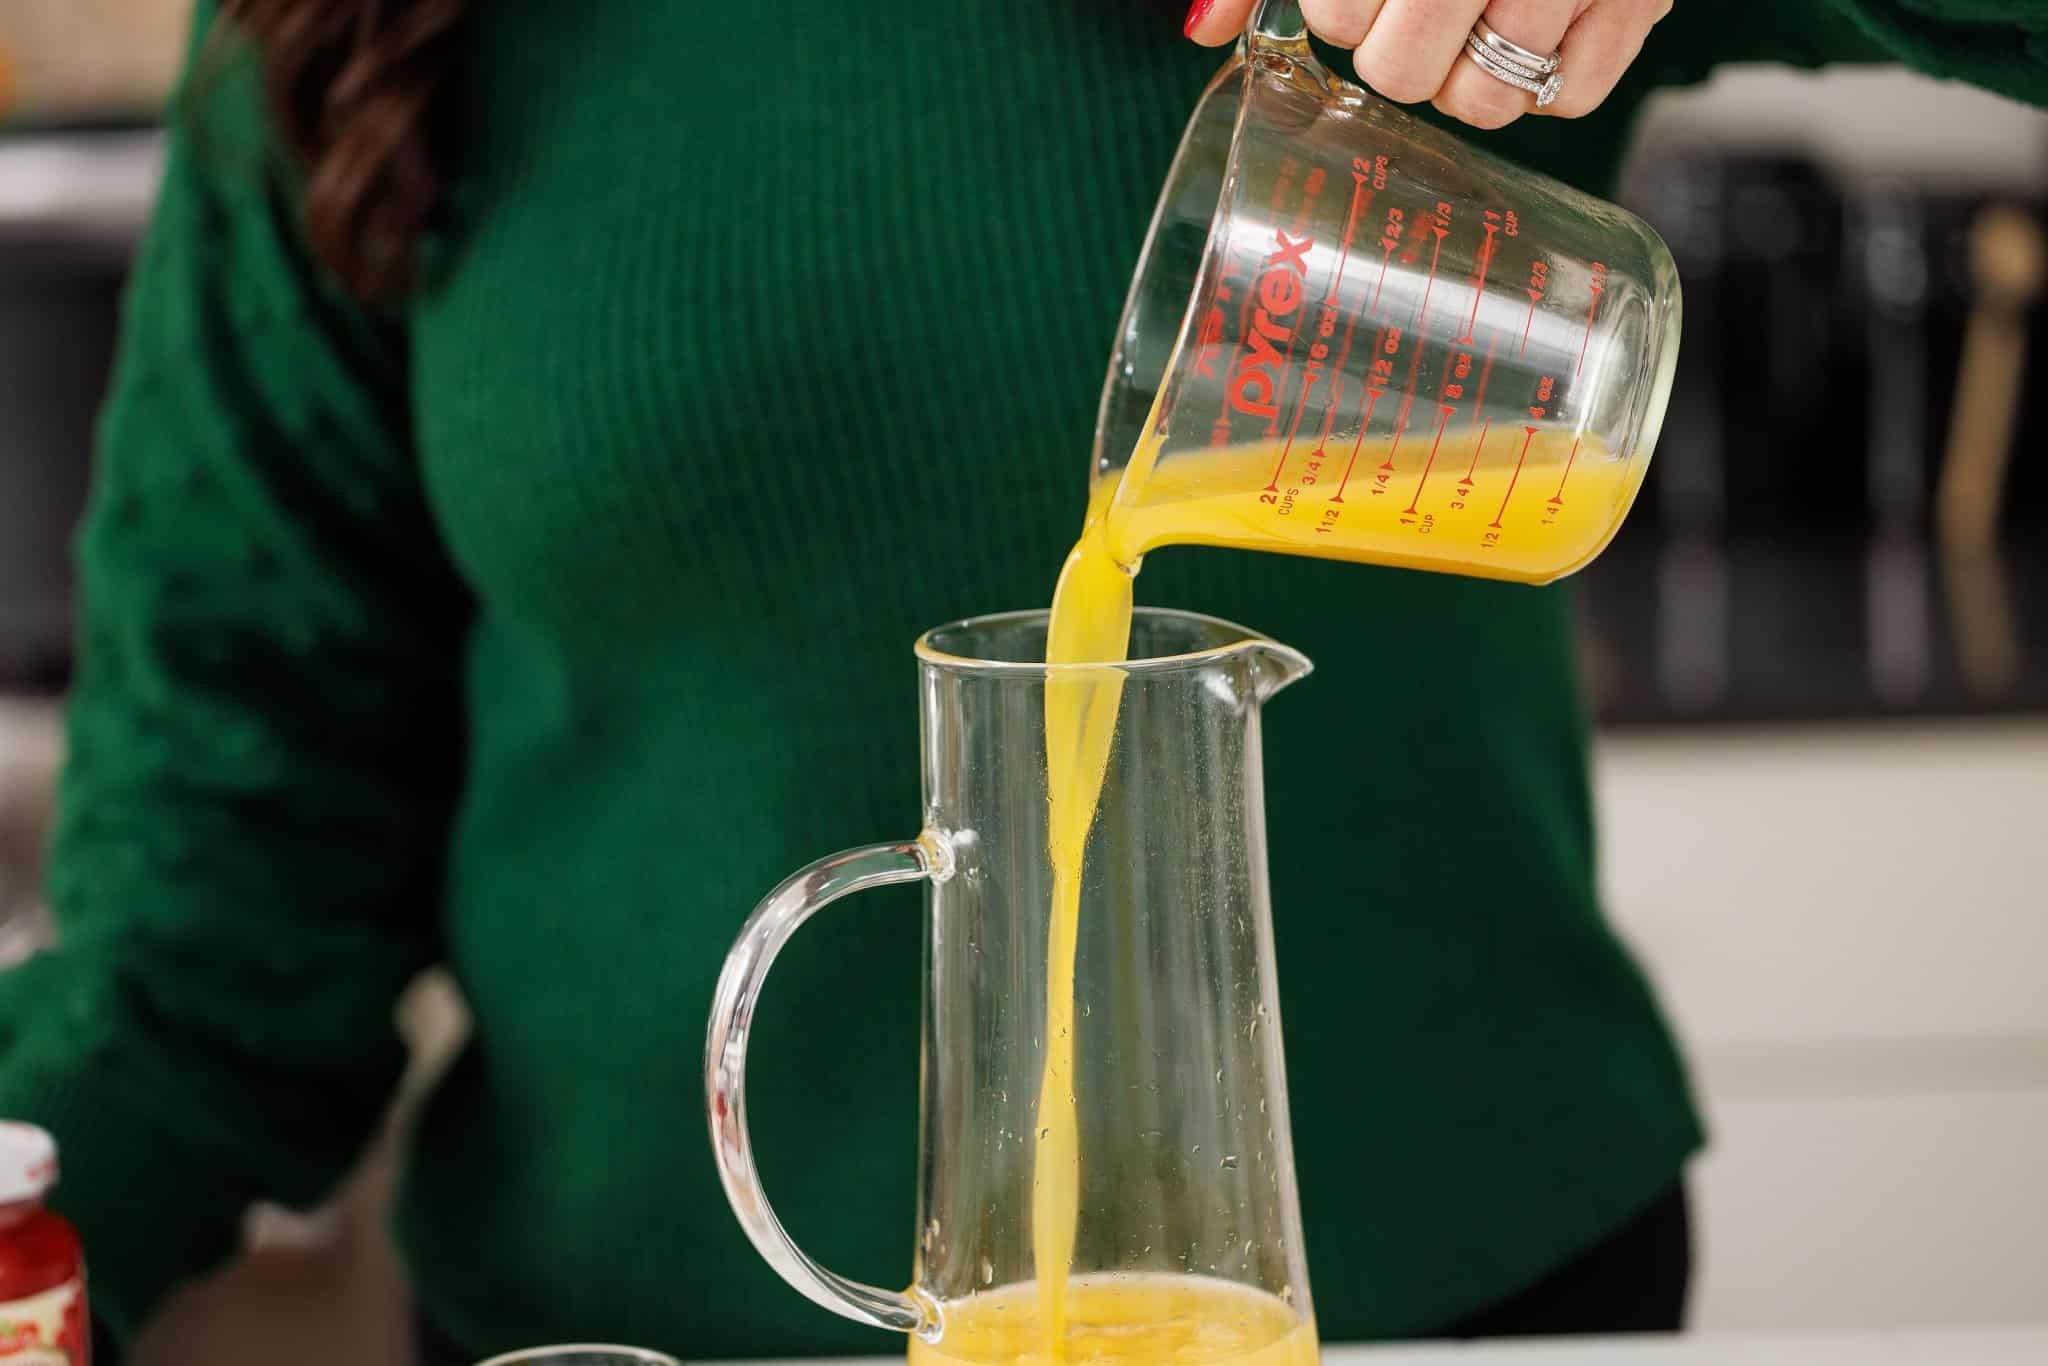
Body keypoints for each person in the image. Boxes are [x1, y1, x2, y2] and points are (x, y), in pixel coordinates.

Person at [2, 0, 2040, 1361]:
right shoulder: (351, 30)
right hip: (622, 1332)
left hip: (1450, 1308)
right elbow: (211, 907)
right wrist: (28, 1232)